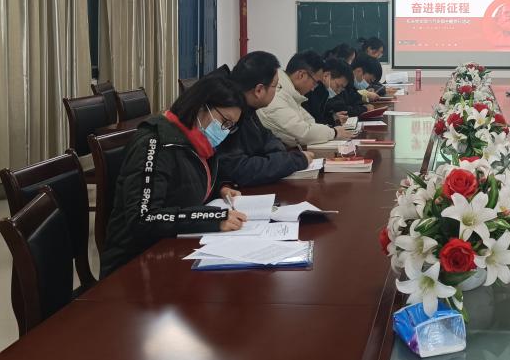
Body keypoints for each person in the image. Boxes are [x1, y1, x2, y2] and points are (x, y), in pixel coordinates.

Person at [100, 74, 247, 276]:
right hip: (135, 264)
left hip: (173, 249)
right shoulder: (154, 143)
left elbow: (185, 185)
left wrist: (220, 188)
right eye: (224, 122)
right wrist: (213, 218)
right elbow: (143, 217)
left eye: (230, 126)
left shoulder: (199, 143)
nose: (224, 131)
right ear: (201, 107)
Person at [216, 51, 314, 187]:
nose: (277, 91)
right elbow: (239, 170)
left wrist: (279, 160)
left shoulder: (249, 107)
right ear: (259, 90)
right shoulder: (228, 114)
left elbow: (268, 138)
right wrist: (294, 161)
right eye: (276, 86)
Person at [258, 52, 351, 147]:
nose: (313, 88)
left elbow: (310, 123)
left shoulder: (292, 95)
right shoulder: (276, 96)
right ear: (301, 75)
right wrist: (334, 132)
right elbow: (302, 133)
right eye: (315, 82)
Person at [306, 57, 352, 127]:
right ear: (326, 76)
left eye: (342, 89)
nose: (338, 92)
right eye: (337, 86)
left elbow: (319, 119)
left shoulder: (323, 93)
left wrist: (333, 118)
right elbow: (315, 123)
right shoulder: (313, 91)